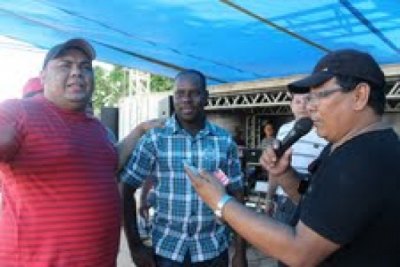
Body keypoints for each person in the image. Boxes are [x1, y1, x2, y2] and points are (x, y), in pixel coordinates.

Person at [185, 49, 400, 266]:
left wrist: (221, 202)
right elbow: (320, 208)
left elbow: (300, 252)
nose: (310, 106)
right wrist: (285, 175)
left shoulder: (363, 161)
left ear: (359, 95)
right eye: (309, 96)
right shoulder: (346, 147)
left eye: (321, 95)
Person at [0, 38, 161, 267]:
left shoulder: (95, 127)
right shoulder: (18, 111)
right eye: (65, 65)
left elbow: (110, 163)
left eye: (85, 67)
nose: (77, 72)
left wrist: (139, 130)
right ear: (43, 76)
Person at [121, 69, 247, 267]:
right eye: (180, 93)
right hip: (166, 252)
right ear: (174, 98)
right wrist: (135, 245)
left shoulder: (224, 141)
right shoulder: (155, 138)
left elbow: (237, 193)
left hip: (213, 250)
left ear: (205, 97)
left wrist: (240, 252)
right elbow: (125, 188)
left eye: (194, 93)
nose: (186, 99)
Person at [265, 93, 327, 222]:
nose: (303, 105)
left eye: (307, 100)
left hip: (312, 199)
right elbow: (274, 166)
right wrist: (269, 198)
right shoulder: (283, 129)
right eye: (298, 102)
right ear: (291, 106)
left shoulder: (325, 131)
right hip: (283, 200)